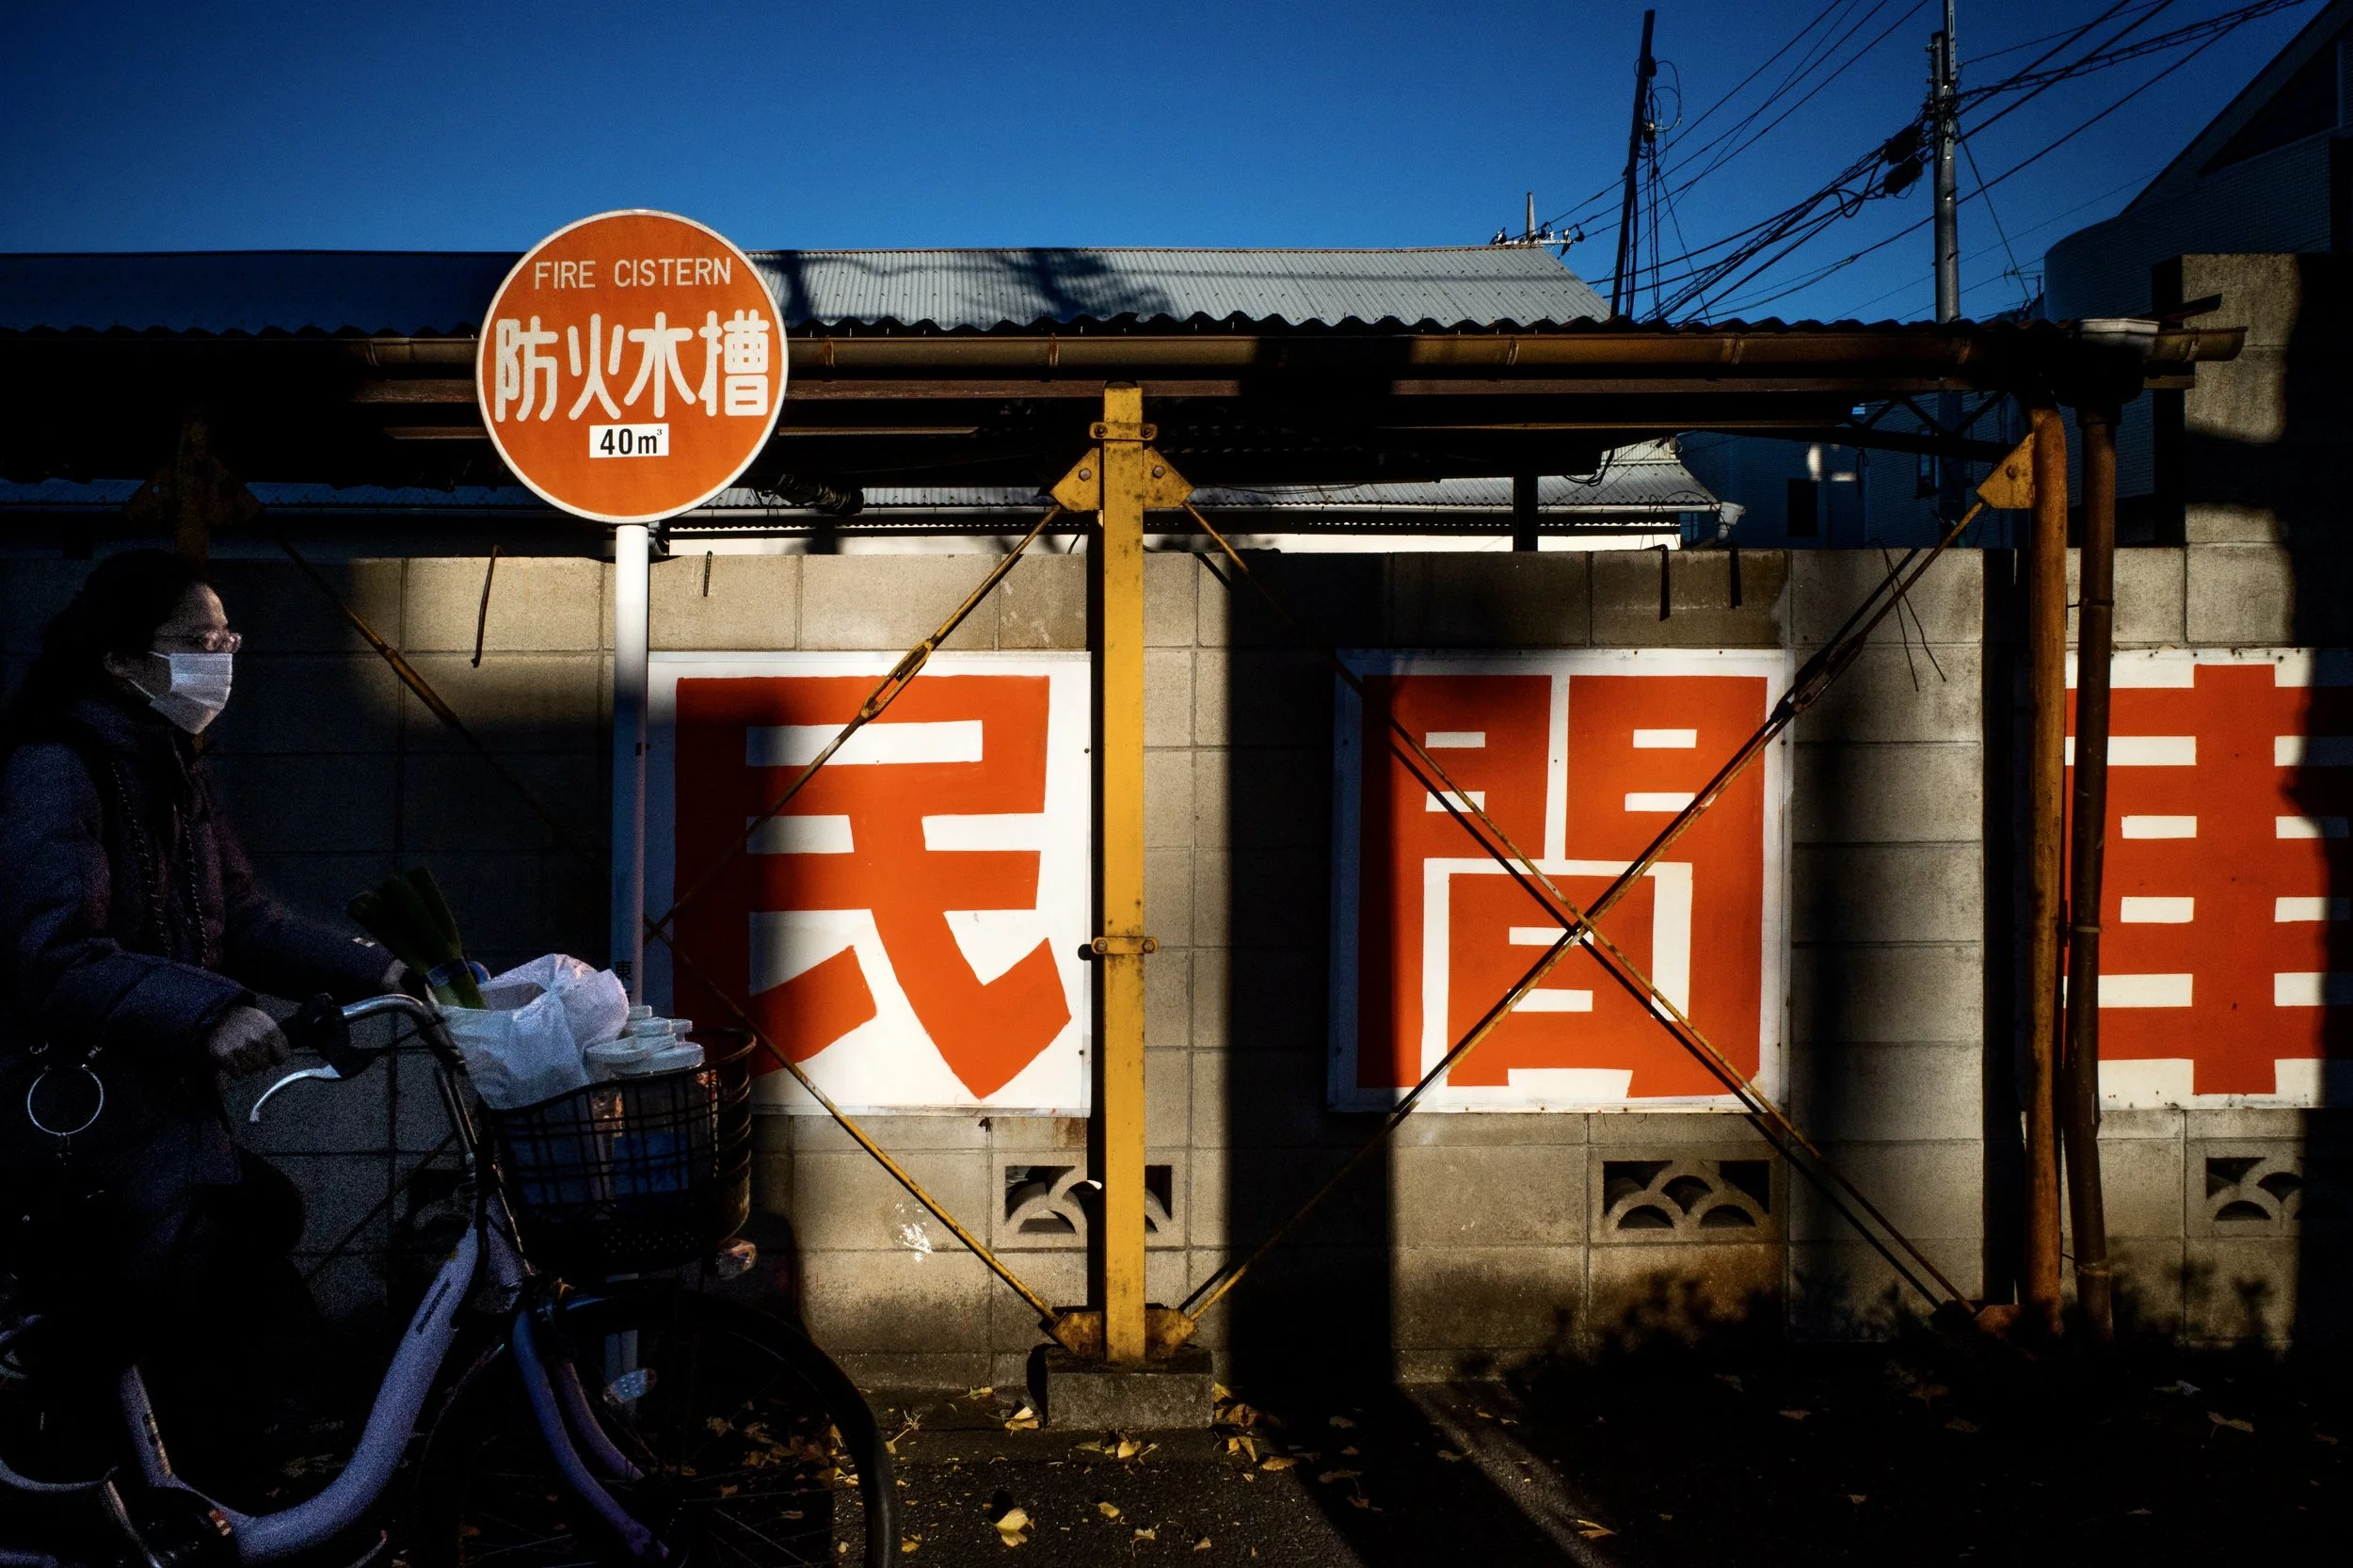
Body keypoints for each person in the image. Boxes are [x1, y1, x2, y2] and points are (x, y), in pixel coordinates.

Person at [0, 550, 404, 1476]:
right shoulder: (60, 769)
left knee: (255, 1240)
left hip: (151, 1114)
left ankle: (195, 1488)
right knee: (216, 1292)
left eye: (227, 638)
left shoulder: (170, 767)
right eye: (196, 641)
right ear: (122, 661)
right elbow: (54, 958)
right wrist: (208, 1013)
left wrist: (380, 969)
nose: (220, 657)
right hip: (74, 1119)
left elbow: (245, 917)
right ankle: (128, 1490)